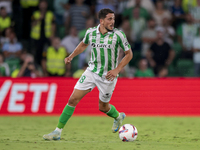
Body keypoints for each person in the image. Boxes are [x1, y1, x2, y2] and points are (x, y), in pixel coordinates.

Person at [43, 8, 133, 140]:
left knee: (103, 107)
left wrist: (117, 70)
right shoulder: (91, 32)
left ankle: (118, 117)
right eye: (109, 19)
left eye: (113, 19)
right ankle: (57, 131)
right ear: (101, 21)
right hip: (91, 71)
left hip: (108, 76)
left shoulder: (118, 34)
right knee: (72, 99)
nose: (112, 22)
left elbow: (129, 54)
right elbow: (83, 44)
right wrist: (71, 56)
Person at [30, 0, 56, 65]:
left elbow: (53, 24)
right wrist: (39, 18)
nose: (43, 6)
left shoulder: (50, 14)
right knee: (37, 52)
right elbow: (32, 24)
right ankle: (37, 65)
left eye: (44, 4)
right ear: (39, 6)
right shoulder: (35, 14)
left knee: (48, 51)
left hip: (47, 36)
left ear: (46, 5)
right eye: (41, 5)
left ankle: (47, 65)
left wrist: (52, 34)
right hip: (37, 37)